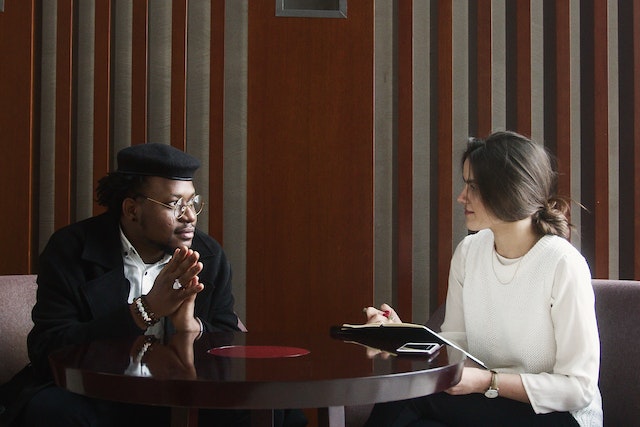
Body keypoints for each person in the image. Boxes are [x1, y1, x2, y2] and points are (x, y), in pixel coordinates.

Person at [1, 143, 306, 427]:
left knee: (278, 409)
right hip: (96, 393)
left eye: (192, 202)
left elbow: (229, 346)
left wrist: (191, 328)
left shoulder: (208, 255)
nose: (190, 216)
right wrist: (144, 310)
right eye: (174, 204)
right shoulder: (71, 248)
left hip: (182, 393)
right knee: (52, 412)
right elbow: (47, 349)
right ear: (132, 209)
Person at [362, 131, 602, 426]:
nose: (461, 196)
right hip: (489, 403)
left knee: (407, 395)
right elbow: (456, 350)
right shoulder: (469, 253)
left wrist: (488, 381)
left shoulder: (563, 264)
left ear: (510, 190)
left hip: (560, 415)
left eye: (473, 186)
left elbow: (578, 388)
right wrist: (401, 337)